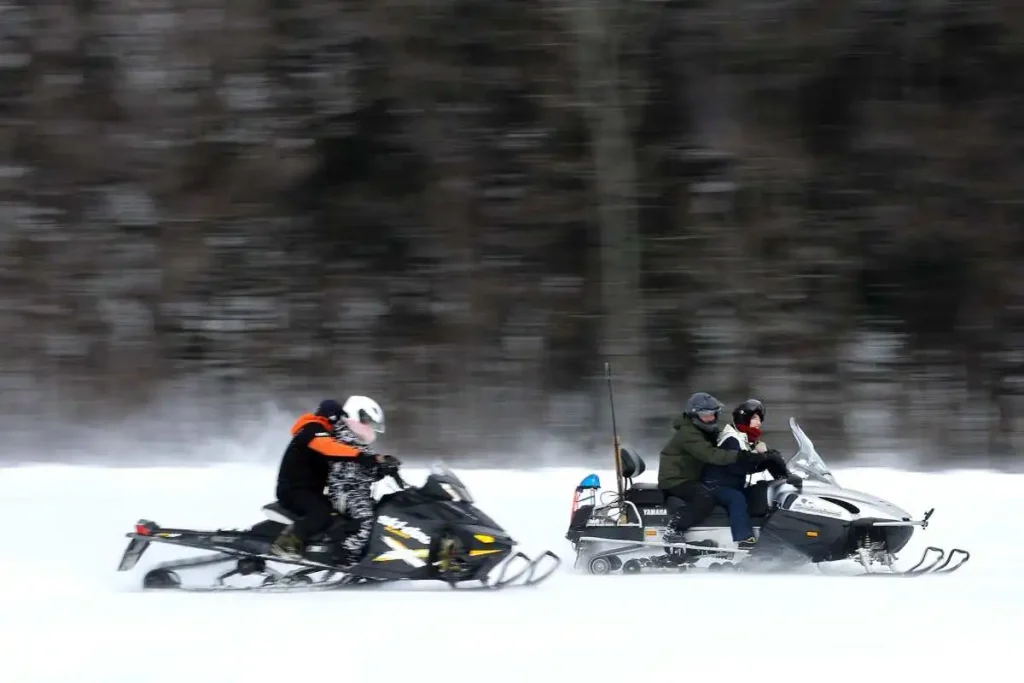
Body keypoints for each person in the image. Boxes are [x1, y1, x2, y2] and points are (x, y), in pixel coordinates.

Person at [270, 396, 397, 566]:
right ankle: (286, 543)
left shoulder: (326, 433)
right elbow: (329, 448)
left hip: (309, 489)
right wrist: (365, 458)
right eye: (337, 418)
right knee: (320, 514)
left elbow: (344, 464)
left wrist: (378, 467)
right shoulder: (312, 429)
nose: (339, 423)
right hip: (294, 489)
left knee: (335, 519)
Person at [657, 392, 766, 544]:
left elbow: (723, 443)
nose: (711, 418)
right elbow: (711, 455)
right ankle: (674, 529)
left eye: (713, 414)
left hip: (691, 476)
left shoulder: (706, 430)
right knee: (704, 498)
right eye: (705, 414)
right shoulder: (688, 433)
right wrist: (740, 456)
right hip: (675, 479)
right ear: (694, 414)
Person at [701, 399, 794, 550]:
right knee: (736, 498)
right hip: (715, 485)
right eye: (755, 418)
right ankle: (744, 538)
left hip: (732, 483)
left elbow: (753, 461)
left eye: (760, 419)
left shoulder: (746, 438)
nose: (759, 423)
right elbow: (736, 466)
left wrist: (775, 465)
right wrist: (760, 457)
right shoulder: (731, 439)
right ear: (744, 418)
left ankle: (770, 534)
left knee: (761, 489)